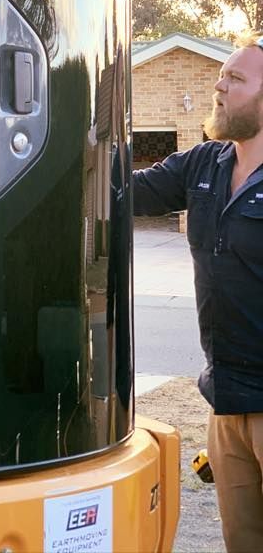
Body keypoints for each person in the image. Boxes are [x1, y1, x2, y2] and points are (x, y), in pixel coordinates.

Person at [133, 31, 263, 553]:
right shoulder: (204, 163)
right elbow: (125, 188)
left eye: (235, 78)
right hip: (226, 399)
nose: (219, 85)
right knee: (242, 540)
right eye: (221, 74)